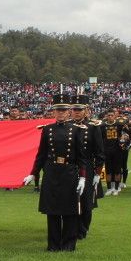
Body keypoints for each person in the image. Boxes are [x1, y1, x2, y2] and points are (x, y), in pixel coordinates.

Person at [22, 93, 87, 251]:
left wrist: (83, 178)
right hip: (51, 172)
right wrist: (33, 173)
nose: (61, 113)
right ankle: (53, 245)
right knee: (53, 211)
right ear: (54, 112)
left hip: (69, 172)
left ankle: (68, 245)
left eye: (64, 111)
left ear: (68, 112)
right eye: (58, 111)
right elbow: (41, 154)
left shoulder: (76, 130)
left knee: (70, 211)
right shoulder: (47, 130)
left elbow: (82, 157)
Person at [70, 96, 103, 239]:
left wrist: (97, 173)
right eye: (74, 110)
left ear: (85, 111)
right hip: (71, 167)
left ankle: (83, 229)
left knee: (86, 200)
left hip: (88, 167)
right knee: (71, 198)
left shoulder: (93, 127)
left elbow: (100, 152)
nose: (76, 112)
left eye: (79, 110)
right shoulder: (68, 125)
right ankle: (73, 227)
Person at [100, 108, 131, 196]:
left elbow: (129, 134)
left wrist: (126, 144)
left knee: (117, 170)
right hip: (107, 150)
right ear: (106, 116)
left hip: (117, 150)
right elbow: (100, 138)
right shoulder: (102, 126)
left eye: (112, 115)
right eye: (108, 115)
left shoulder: (119, 125)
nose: (110, 117)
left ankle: (117, 188)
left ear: (115, 116)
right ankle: (110, 188)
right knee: (108, 171)